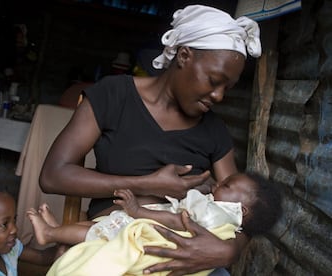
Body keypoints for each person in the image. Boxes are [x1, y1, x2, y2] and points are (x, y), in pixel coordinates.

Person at [39, 4, 262, 275]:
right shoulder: (114, 96)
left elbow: (240, 212)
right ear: (183, 56)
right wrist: (147, 184)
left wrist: (230, 250)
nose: (219, 96)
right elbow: (52, 176)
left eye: (228, 87)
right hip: (115, 240)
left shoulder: (214, 130)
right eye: (214, 80)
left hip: (184, 253)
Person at [27, 172, 281, 275]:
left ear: (241, 209)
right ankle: (56, 233)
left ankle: (51, 232)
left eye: (225, 186)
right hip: (130, 212)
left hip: (147, 224)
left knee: (100, 233)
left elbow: (176, 219)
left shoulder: (215, 214)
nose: (217, 184)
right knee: (100, 227)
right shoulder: (220, 209)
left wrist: (138, 210)